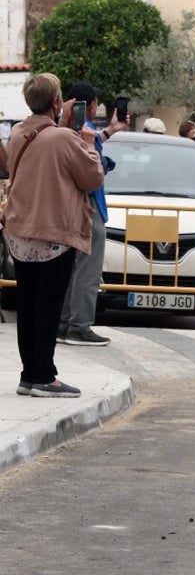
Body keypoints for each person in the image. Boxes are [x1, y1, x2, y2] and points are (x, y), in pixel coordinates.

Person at [3, 73, 104, 397]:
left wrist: (62, 124)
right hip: (54, 233)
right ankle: (45, 377)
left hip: (21, 230)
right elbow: (92, 178)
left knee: (29, 304)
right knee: (48, 305)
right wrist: (88, 145)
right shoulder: (65, 138)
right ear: (58, 102)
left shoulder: (19, 133)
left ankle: (29, 375)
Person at [57, 82, 128, 347]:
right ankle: (80, 326)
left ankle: (64, 323)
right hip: (88, 206)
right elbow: (92, 171)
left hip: (70, 208)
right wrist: (104, 162)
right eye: (95, 102)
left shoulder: (63, 131)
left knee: (71, 268)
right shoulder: (81, 135)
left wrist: (111, 130)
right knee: (88, 268)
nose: (98, 106)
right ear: (86, 105)